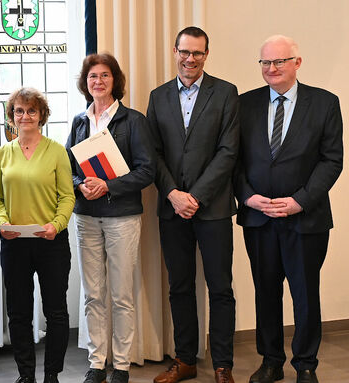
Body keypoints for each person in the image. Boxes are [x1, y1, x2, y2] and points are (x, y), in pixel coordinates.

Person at [236, 35, 343, 383]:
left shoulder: (325, 103)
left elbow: (332, 160)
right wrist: (247, 196)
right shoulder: (244, 104)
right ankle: (270, 362)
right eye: (265, 62)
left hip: (306, 218)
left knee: (305, 293)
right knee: (266, 292)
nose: (272, 68)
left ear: (297, 62)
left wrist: (300, 200)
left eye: (280, 61)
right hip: (258, 217)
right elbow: (231, 160)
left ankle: (306, 365)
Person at [146, 26, 239, 383]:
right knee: (180, 286)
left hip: (212, 208)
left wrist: (195, 197)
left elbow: (228, 152)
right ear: (175, 51)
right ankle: (185, 360)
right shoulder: (158, 97)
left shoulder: (226, 93)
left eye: (197, 53)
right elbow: (152, 153)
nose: (190, 59)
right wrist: (173, 194)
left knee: (220, 288)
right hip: (172, 209)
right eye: (184, 52)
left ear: (206, 55)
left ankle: (223, 364)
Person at [65, 53, 155, 383]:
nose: (98, 81)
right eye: (92, 77)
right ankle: (97, 362)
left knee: (121, 295)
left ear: (115, 80)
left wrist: (108, 186)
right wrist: (80, 185)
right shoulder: (78, 122)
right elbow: (67, 169)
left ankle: (121, 365)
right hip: (86, 216)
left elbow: (148, 170)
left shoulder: (133, 121)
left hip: (121, 217)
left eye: (104, 76)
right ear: (85, 83)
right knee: (93, 294)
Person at [0, 87, 75, 383]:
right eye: (18, 111)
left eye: (31, 111)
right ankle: (25, 374)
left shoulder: (56, 151)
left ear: (42, 115)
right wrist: (2, 221)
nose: (24, 116)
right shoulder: (2, 154)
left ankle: (52, 374)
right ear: (11, 116)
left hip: (51, 241)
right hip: (14, 242)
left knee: (55, 311)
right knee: (19, 313)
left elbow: (68, 197)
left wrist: (57, 224)